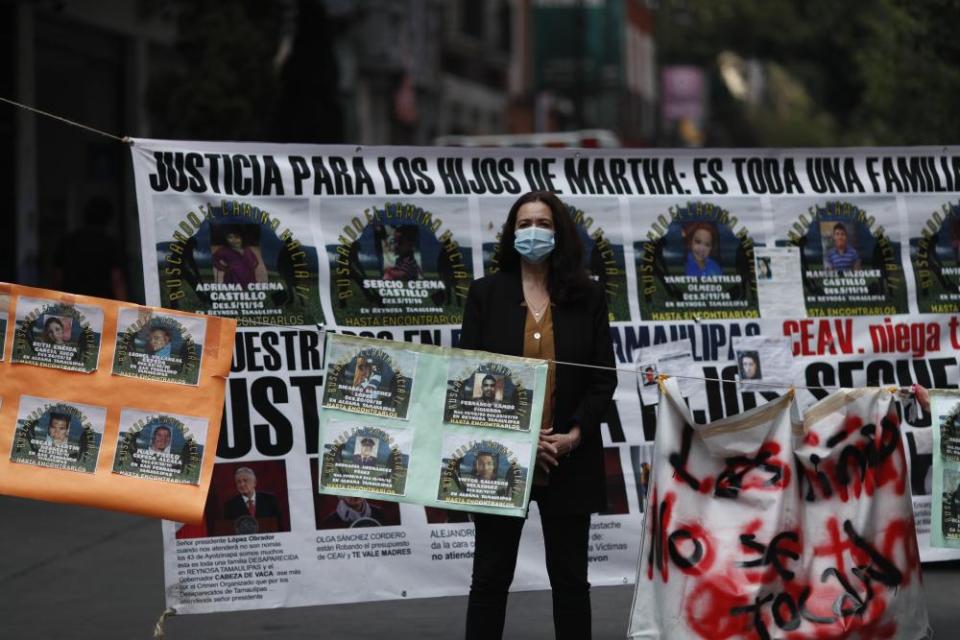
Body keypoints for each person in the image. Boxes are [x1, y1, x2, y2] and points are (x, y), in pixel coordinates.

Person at [458, 191, 617, 640]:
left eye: (542, 223)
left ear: (558, 232)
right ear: (511, 234)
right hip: (497, 460)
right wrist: (518, 441)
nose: (532, 232)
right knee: (490, 578)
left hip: (569, 457)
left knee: (570, 582)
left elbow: (603, 379)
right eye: (524, 223)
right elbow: (467, 379)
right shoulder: (486, 294)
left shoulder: (587, 295)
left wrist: (571, 437)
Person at [53, 195, 128, 301]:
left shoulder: (68, 241)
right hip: (101, 303)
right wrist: (124, 308)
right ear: (109, 219)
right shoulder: (110, 244)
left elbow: (57, 277)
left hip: (71, 302)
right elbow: (117, 280)